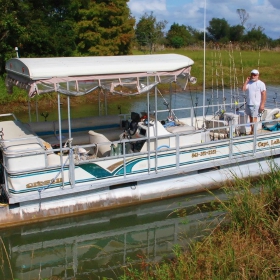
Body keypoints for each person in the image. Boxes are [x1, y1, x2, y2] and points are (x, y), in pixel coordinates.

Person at [242, 69, 266, 134]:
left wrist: (262, 104)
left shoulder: (261, 84)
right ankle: (251, 130)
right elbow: (243, 89)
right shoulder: (249, 83)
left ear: (258, 75)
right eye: (252, 75)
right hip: (249, 103)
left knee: (254, 119)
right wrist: (246, 81)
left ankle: (253, 132)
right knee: (250, 118)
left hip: (256, 104)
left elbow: (264, 94)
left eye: (255, 75)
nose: (253, 76)